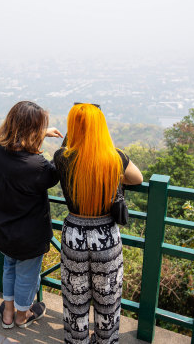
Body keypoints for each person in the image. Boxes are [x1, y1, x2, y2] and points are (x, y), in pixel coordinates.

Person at [53, 103, 143, 344]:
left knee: (75, 297)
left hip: (74, 234)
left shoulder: (62, 157)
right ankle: (105, 340)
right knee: (108, 296)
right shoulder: (115, 157)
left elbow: (66, 151)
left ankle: (77, 340)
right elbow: (138, 178)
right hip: (106, 235)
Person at [0, 101, 63, 329]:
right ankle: (22, 315)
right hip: (28, 236)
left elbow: (16, 146)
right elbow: (53, 174)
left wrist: (38, 133)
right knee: (27, 275)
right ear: (32, 130)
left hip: (4, 230)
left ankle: (8, 314)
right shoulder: (36, 165)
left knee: (9, 266)